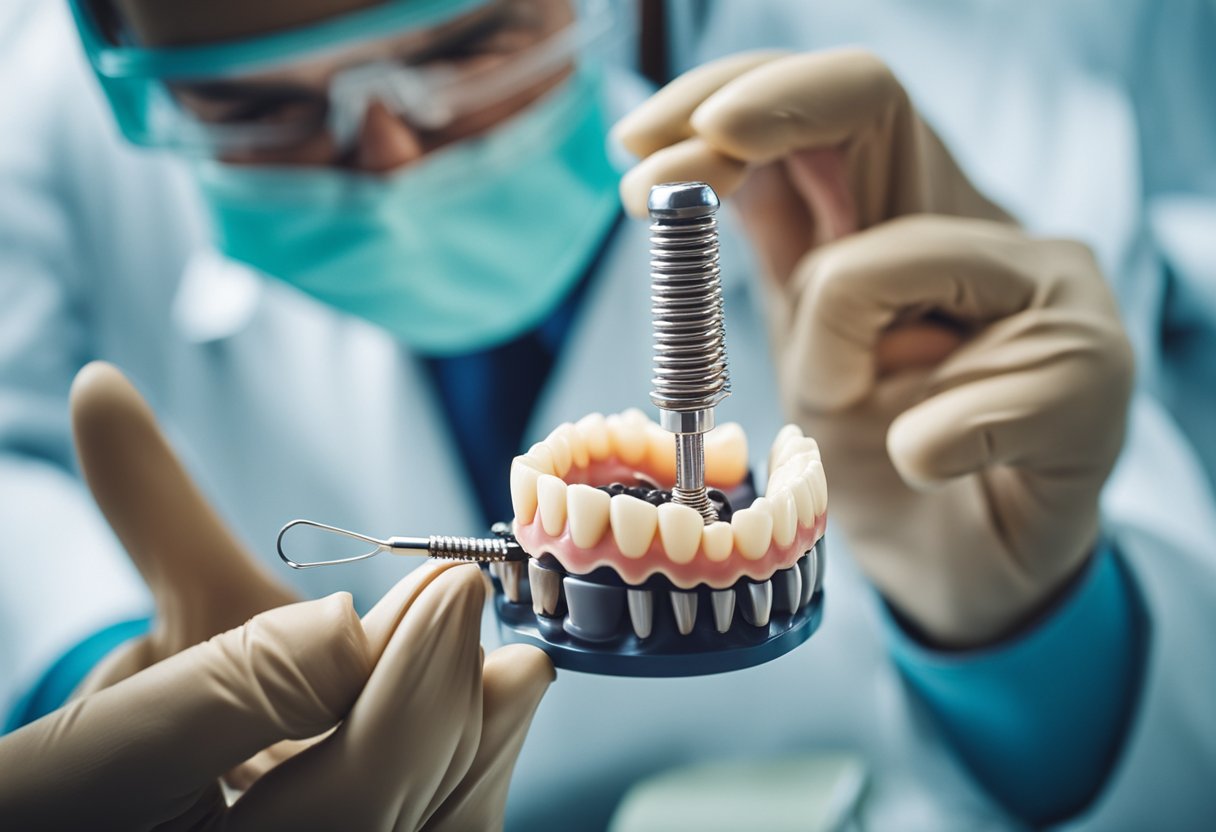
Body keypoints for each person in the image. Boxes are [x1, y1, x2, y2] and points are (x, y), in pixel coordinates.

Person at [0, 0, 1213, 829]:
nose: (389, 159)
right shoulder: (40, 128)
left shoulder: (974, 105)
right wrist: (91, 675)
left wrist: (1031, 638)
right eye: (249, 106)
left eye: (475, 42)